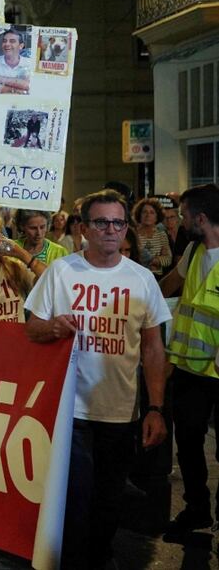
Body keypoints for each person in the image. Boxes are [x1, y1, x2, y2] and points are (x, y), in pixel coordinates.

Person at [25, 190, 169, 568]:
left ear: (127, 229)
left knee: (109, 499)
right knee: (74, 499)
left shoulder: (141, 280)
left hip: (120, 412)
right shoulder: (62, 271)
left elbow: (154, 349)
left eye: (118, 223)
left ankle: (99, 556)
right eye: (101, 222)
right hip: (69, 410)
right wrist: (53, 326)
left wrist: (155, 408)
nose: (110, 230)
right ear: (85, 228)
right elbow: (32, 328)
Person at [160, 184, 219, 536]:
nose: (180, 221)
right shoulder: (194, 251)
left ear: (200, 218)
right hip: (188, 369)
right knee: (190, 444)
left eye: (183, 215)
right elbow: (169, 285)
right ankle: (197, 509)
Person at [132, 197, 171, 277]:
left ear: (157, 217)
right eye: (144, 212)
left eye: (152, 212)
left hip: (156, 277)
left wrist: (155, 261)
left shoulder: (161, 235)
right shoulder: (133, 234)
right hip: (137, 275)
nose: (148, 215)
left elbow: (168, 259)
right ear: (139, 215)